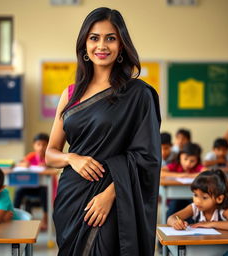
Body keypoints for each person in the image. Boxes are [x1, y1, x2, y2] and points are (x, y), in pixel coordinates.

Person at [45, 7, 161, 256]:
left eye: (111, 38)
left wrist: (111, 194)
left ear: (121, 45)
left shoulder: (139, 95)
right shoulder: (70, 94)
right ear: (84, 45)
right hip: (71, 198)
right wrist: (71, 158)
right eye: (94, 38)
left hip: (113, 198)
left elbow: (147, 157)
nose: (102, 45)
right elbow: (50, 153)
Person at [14, 132, 49, 230]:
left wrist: (47, 166)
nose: (41, 147)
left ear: (48, 145)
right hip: (29, 187)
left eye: (44, 144)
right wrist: (24, 165)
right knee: (19, 190)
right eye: (38, 144)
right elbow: (19, 164)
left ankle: (45, 219)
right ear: (34, 145)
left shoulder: (49, 157)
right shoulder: (31, 156)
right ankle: (14, 216)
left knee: (44, 192)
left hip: (42, 188)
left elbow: (54, 169)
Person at [161, 142, 204, 219]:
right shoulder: (175, 165)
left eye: (192, 161)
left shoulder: (198, 167)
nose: (188, 163)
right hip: (175, 197)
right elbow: (161, 172)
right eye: (185, 159)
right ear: (180, 156)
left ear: (197, 160)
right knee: (173, 208)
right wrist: (179, 175)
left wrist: (188, 175)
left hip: (192, 197)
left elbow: (206, 172)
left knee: (195, 209)